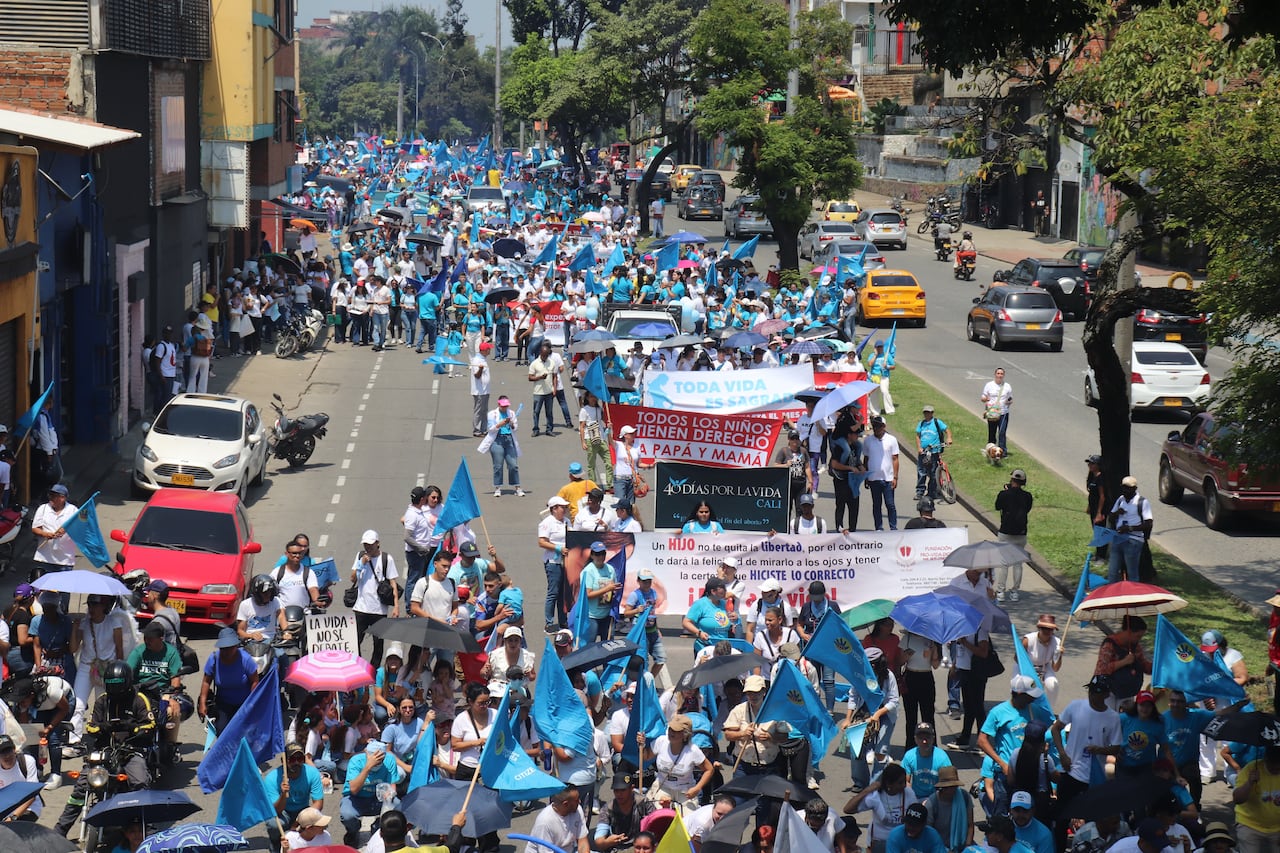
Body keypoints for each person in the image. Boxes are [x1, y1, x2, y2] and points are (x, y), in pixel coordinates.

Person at [53, 662, 154, 837]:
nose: (115, 689)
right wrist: (104, 728)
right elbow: (91, 727)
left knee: (140, 781)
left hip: (131, 749)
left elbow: (150, 724)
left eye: (118, 685)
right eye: (112, 685)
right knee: (81, 785)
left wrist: (132, 728)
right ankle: (60, 830)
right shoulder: (102, 700)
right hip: (105, 750)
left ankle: (148, 827)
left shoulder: (139, 699)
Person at [1050, 675, 1124, 849]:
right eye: (1091, 690)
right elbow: (1056, 729)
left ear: (1106, 694)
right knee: (1062, 818)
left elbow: (1116, 748)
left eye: (1098, 691)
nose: (1093, 694)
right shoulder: (1076, 706)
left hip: (1095, 775)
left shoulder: (1112, 717)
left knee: (1094, 819)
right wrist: (1062, 754)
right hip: (1071, 771)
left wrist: (1099, 750)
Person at [638, 713, 714, 805]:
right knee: (655, 814)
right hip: (662, 787)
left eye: (676, 730)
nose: (672, 732)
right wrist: (642, 745)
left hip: (685, 791)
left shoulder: (693, 750)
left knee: (688, 817)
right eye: (671, 729)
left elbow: (709, 769)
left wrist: (697, 788)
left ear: (685, 734)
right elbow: (646, 757)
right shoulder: (661, 741)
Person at [339, 740, 403, 848]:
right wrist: (368, 767)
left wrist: (390, 794)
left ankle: (379, 826)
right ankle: (352, 831)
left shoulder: (389, 760)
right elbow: (354, 789)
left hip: (378, 799)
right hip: (356, 798)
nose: (377, 762)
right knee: (347, 815)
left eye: (380, 760)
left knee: (398, 808)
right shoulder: (356, 761)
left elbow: (392, 785)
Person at [350, 529, 400, 668]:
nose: (368, 547)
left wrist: (396, 606)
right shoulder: (360, 556)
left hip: (379, 610)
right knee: (355, 641)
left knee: (378, 644)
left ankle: (374, 670)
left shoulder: (386, 559)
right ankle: (358, 667)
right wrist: (361, 564)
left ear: (377, 543)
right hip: (361, 608)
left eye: (370, 544)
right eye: (366, 544)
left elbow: (393, 583)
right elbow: (352, 578)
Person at [844, 763, 919, 853]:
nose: (904, 785)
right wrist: (867, 790)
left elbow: (917, 815)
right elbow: (848, 809)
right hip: (879, 842)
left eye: (904, 782)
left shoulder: (908, 793)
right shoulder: (876, 796)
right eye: (900, 783)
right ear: (889, 784)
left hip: (901, 841)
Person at [199, 627, 259, 734]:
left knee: (243, 733)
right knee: (222, 731)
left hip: (243, 704)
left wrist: (252, 703)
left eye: (229, 648)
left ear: (236, 646)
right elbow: (206, 682)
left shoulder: (246, 659)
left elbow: (255, 681)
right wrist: (202, 703)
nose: (226, 651)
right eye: (223, 648)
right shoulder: (214, 659)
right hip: (223, 704)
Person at [724, 675, 784, 776]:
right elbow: (728, 735)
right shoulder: (739, 710)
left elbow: (785, 737)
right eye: (749, 693)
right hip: (743, 766)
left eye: (756, 693)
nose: (753, 696)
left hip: (769, 766)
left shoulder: (776, 712)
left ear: (764, 691)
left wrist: (771, 737)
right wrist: (742, 734)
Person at [267, 746, 326, 848]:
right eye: (292, 759)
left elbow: (318, 803)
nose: (296, 763)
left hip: (302, 810)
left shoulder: (312, 773)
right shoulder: (272, 779)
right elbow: (275, 811)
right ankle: (276, 844)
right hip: (283, 812)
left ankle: (309, 846)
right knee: (274, 825)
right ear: (284, 761)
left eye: (300, 759)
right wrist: (283, 794)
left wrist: (300, 820)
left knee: (319, 823)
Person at [993, 470, 1033, 603]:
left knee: (1004, 563)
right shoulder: (1027, 496)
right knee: (1018, 563)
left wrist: (1005, 492)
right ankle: (1015, 591)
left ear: (1011, 480)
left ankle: (1000, 591)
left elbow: (997, 506)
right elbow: (1027, 508)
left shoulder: (1004, 494)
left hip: (1006, 531)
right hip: (1021, 533)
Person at [1094, 615, 1151, 707]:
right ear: (1128, 632)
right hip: (1108, 690)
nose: (1139, 639)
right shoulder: (1109, 644)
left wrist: (1156, 665)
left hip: (1127, 690)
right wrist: (1124, 662)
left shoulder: (1136, 647)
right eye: (1138, 636)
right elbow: (1101, 669)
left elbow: (1143, 665)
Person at [1107, 475, 1153, 583]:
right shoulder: (1120, 500)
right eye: (1123, 487)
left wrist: (1129, 528)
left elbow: (1148, 523)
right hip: (1118, 538)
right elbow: (1111, 517)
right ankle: (1112, 594)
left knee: (1132, 572)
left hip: (1133, 540)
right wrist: (1118, 512)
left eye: (1128, 488)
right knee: (1112, 571)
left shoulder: (1142, 502)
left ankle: (1133, 595)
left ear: (1134, 489)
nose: (1125, 490)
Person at [592, 772, 654, 852]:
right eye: (616, 790)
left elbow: (656, 826)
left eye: (623, 790)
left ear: (632, 788)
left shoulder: (643, 803)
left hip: (639, 847)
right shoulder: (608, 809)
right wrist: (607, 842)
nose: (619, 794)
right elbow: (599, 840)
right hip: (617, 848)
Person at [31, 484, 79, 583]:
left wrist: (68, 530)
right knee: (42, 588)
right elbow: (35, 528)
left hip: (65, 559)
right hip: (44, 557)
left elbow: (80, 529)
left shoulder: (73, 511)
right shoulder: (43, 508)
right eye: (50, 495)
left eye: (54, 496)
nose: (51, 498)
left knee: (63, 589)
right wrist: (45, 534)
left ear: (62, 498)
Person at [622, 569, 666, 678]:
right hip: (641, 633)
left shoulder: (653, 593)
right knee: (643, 661)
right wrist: (636, 610)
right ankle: (641, 684)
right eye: (644, 581)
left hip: (653, 631)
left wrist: (657, 628)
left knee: (661, 658)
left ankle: (648, 680)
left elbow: (652, 613)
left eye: (649, 581)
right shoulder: (634, 595)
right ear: (638, 581)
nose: (647, 583)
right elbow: (626, 613)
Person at [900, 633, 941, 743]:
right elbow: (899, 661)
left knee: (928, 715)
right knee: (911, 717)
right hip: (910, 676)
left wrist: (935, 652)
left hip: (926, 677)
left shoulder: (931, 639)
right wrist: (906, 655)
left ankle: (931, 746)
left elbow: (935, 665)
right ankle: (910, 746)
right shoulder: (907, 638)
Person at [925, 766, 974, 853]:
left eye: (954, 786)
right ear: (942, 788)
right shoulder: (932, 803)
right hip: (939, 847)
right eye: (949, 787)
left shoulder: (964, 797)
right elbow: (929, 833)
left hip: (962, 845)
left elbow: (970, 825)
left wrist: (968, 846)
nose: (953, 790)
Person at [538, 496, 570, 633]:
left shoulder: (567, 521)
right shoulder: (547, 523)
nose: (565, 509)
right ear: (554, 509)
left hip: (567, 562)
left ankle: (563, 621)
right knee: (554, 592)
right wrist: (558, 548)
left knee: (563, 594)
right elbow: (542, 542)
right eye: (562, 507)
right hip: (553, 562)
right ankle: (549, 623)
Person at [864, 417, 900, 531]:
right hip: (873, 478)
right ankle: (878, 527)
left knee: (890, 505)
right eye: (874, 426)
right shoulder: (868, 440)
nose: (876, 429)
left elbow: (895, 459)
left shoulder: (891, 440)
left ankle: (893, 527)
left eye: (879, 426)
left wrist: (895, 477)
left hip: (888, 478)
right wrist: (865, 476)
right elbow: (866, 458)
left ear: (884, 427)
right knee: (876, 505)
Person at [526, 787, 590, 853]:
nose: (580, 801)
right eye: (576, 800)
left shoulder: (577, 809)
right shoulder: (544, 822)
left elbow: (582, 842)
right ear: (565, 804)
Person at [581, 540, 622, 642]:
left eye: (602, 553)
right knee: (590, 646)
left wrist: (615, 591)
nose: (600, 557)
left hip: (607, 615)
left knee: (608, 645)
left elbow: (613, 588)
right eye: (597, 554)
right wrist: (607, 589)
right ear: (592, 555)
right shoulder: (588, 571)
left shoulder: (610, 569)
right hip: (592, 616)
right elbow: (587, 594)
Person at [683, 578, 737, 653]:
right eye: (722, 589)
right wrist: (699, 633)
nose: (725, 591)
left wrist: (735, 619)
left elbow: (730, 621)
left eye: (725, 588)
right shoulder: (700, 604)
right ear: (713, 591)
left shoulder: (724, 603)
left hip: (723, 649)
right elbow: (686, 622)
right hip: (705, 647)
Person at [486, 396, 525, 497]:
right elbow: (490, 429)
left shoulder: (511, 413)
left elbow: (515, 428)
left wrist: (512, 424)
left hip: (509, 440)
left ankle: (517, 487)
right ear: (499, 404)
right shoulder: (491, 414)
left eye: (506, 406)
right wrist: (500, 424)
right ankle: (498, 487)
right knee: (498, 465)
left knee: (513, 465)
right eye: (503, 406)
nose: (505, 408)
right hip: (497, 440)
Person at [1021, 615, 1062, 708]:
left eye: (1050, 629)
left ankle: (1048, 711)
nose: (1047, 632)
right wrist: (1030, 673)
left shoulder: (1057, 642)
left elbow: (1055, 668)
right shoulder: (1028, 640)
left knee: (1053, 684)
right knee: (1024, 685)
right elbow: (1017, 658)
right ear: (1039, 628)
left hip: (1045, 666)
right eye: (1044, 628)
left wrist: (1059, 656)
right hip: (1027, 665)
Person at [914, 406, 953, 501]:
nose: (927, 414)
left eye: (929, 412)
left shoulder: (937, 422)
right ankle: (920, 492)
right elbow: (918, 436)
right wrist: (919, 447)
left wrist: (949, 438)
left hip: (934, 451)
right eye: (925, 412)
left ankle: (932, 492)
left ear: (932, 413)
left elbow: (947, 430)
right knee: (921, 472)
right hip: (924, 452)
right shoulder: (921, 424)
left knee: (933, 472)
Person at [529, 340, 564, 436]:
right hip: (538, 392)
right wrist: (539, 377)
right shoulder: (534, 363)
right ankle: (536, 429)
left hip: (549, 391)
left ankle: (549, 429)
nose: (545, 357)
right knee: (536, 412)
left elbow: (555, 377)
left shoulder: (552, 363)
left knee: (549, 412)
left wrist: (555, 389)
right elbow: (530, 377)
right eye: (543, 355)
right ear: (540, 353)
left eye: (546, 355)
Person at [578, 392, 613, 490]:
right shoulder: (584, 410)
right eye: (591, 396)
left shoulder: (599, 409)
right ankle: (592, 484)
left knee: (609, 462)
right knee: (591, 464)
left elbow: (604, 421)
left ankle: (609, 484)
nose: (594, 398)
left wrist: (608, 424)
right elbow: (581, 427)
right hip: (590, 438)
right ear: (587, 398)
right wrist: (583, 442)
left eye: (595, 396)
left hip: (601, 438)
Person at [980, 368, 1012, 454]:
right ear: (995, 374)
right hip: (992, 413)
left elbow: (1010, 398)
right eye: (998, 373)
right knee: (992, 432)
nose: (1000, 375)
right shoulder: (989, 385)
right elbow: (983, 397)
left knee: (1002, 432)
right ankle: (991, 451)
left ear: (1003, 375)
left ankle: (1003, 452)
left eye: (1001, 374)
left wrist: (1009, 402)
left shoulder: (1007, 386)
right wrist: (985, 399)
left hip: (1003, 413)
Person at [1086, 455, 1109, 559]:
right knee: (1096, 531)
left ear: (1098, 465)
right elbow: (1091, 493)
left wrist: (1099, 513)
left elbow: (1102, 496)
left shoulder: (1101, 478)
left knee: (1100, 531)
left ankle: (1102, 555)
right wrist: (1089, 506)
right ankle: (1098, 553)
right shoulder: (1092, 476)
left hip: (1100, 509)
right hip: (1093, 507)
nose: (1089, 465)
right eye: (1089, 463)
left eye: (1092, 463)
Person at [866, 341, 895, 416]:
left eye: (881, 347)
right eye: (878, 347)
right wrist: (875, 355)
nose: (880, 348)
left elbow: (893, 366)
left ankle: (890, 409)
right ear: (875, 348)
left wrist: (887, 366)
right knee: (874, 394)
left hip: (884, 376)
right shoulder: (872, 355)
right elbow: (869, 364)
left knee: (884, 391)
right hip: (874, 377)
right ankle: (875, 411)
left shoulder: (887, 355)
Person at [471, 341, 492, 437]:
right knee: (479, 410)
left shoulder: (483, 359)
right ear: (484, 350)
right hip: (479, 390)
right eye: (488, 349)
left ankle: (484, 429)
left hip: (485, 390)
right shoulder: (476, 360)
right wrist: (480, 369)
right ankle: (477, 430)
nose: (490, 350)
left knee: (484, 410)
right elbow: (477, 375)